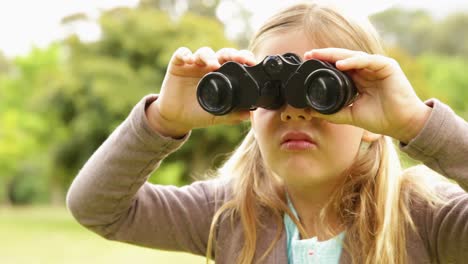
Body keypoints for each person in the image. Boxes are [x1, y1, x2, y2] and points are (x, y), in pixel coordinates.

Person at [66, 2, 468, 264]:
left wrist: (417, 123)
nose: (293, 114)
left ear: (371, 123)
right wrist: (163, 121)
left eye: (321, 92)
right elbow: (97, 207)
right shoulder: (229, 213)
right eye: (270, 94)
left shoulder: (426, 217)